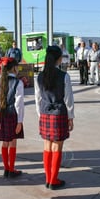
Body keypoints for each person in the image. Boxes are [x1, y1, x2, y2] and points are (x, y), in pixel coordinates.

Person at [35, 45, 74, 190]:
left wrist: (40, 114)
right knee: (57, 146)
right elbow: (68, 99)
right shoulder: (64, 76)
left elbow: (37, 98)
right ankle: (53, 180)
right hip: (59, 112)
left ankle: (47, 179)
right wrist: (70, 117)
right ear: (59, 59)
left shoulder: (39, 76)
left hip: (45, 112)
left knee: (47, 146)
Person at [0, 57, 24, 178]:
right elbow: (19, 103)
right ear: (14, 68)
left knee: (5, 143)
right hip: (12, 115)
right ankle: (11, 169)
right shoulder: (18, 82)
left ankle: (6, 168)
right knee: (13, 142)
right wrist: (20, 121)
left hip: (1, 114)